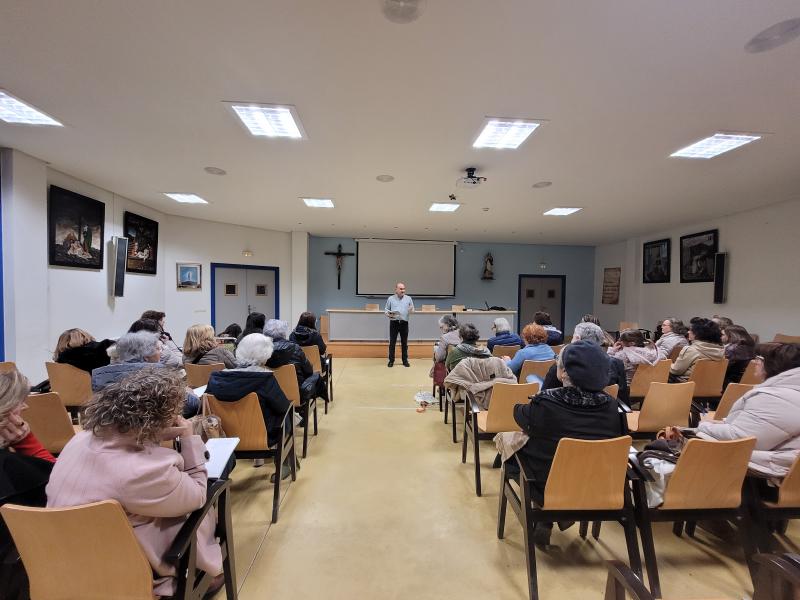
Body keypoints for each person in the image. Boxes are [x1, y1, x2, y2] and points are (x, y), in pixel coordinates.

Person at [46, 369, 224, 598]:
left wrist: (154, 435)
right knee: (195, 509)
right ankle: (201, 571)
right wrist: (189, 439)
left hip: (62, 563)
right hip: (122, 571)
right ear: (159, 417)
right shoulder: (144, 471)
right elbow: (197, 495)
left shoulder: (79, 440)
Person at [507, 341, 627, 545]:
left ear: (562, 373)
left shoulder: (546, 403)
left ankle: (547, 513)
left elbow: (519, 413)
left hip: (546, 486)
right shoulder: (613, 407)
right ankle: (560, 514)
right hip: (597, 486)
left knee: (514, 449)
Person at [697, 343, 800, 479]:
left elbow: (742, 439)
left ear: (775, 364)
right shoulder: (787, 393)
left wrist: (702, 426)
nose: (755, 362)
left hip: (764, 474)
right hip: (784, 468)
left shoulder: (774, 397)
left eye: (760, 358)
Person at [0, 369, 55, 600]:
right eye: (22, 401)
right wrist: (27, 442)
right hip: (20, 568)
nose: (26, 407)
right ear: (8, 410)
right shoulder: (14, 468)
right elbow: (58, 485)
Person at [205, 334, 292, 478]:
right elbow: (283, 406)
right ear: (266, 355)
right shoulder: (265, 379)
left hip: (224, 437)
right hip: (263, 437)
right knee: (287, 412)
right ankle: (284, 463)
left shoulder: (216, 378)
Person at [92, 331, 201, 417]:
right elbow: (190, 407)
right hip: (152, 436)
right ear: (146, 356)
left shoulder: (100, 375)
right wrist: (190, 394)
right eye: (158, 349)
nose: (161, 352)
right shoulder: (159, 375)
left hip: (110, 434)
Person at [541, 322, 629, 404]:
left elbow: (544, 399)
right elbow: (623, 399)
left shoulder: (561, 365)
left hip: (565, 415)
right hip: (604, 414)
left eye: (572, 337)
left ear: (577, 339)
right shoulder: (616, 364)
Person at [264, 319, 324, 403]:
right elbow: (309, 371)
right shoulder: (295, 348)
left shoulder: (261, 351)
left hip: (269, 398)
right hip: (296, 395)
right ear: (284, 333)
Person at [669, 318, 725, 383]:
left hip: (685, 386)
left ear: (698, 334)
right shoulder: (721, 352)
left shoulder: (691, 350)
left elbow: (676, 370)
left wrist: (668, 364)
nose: (688, 332)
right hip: (710, 387)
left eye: (690, 330)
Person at [385, 282, 414, 367]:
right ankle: (391, 361)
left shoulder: (408, 298)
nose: (403, 290)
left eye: (404, 289)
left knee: (404, 343)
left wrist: (410, 310)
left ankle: (405, 360)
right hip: (394, 323)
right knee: (392, 343)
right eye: (401, 289)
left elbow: (412, 310)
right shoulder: (390, 299)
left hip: (404, 323)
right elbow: (386, 310)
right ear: (396, 290)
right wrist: (388, 314)